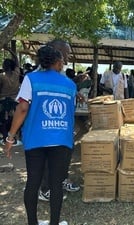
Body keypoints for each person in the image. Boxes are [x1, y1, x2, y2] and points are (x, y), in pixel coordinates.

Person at [4, 45, 76, 225]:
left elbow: (22, 108)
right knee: (56, 184)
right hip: (61, 140)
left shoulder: (31, 79)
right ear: (58, 62)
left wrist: (10, 137)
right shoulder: (70, 84)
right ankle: (54, 223)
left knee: (33, 182)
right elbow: (69, 112)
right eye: (62, 62)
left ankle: (33, 223)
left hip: (36, 139)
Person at [39, 40, 80, 203]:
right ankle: (45, 189)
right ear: (57, 52)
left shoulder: (61, 73)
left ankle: (61, 180)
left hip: (63, 124)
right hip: (49, 124)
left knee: (64, 154)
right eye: (67, 52)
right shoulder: (41, 74)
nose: (69, 56)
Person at [0, 47, 22, 146]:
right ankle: (13, 138)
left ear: (4, 66)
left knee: (2, 121)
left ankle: (5, 138)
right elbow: (17, 61)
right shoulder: (16, 74)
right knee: (14, 120)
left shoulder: (2, 77)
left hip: (3, 101)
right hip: (15, 101)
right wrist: (10, 50)